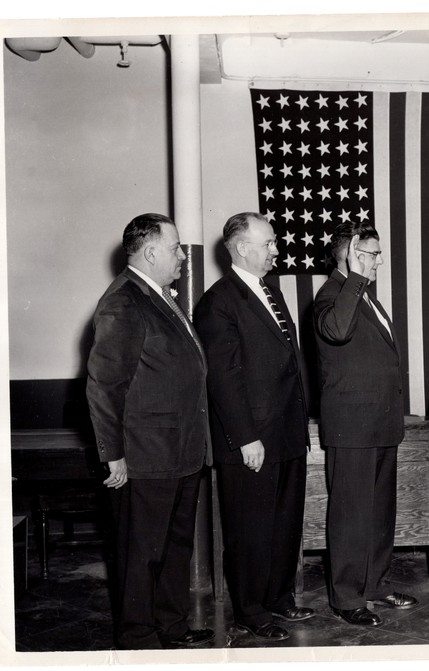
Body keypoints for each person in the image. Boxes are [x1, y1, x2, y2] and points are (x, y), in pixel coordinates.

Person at [86, 213, 214, 649]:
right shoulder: (125, 300)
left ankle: (171, 628)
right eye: (176, 248)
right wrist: (113, 454)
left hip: (179, 452)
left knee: (174, 548)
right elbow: (105, 385)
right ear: (152, 251)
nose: (183, 256)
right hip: (144, 456)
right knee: (141, 554)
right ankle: (139, 640)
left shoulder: (158, 297)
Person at [194, 212, 312, 643]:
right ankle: (250, 610)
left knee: (284, 521)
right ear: (242, 248)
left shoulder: (271, 293)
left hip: (286, 433)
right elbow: (223, 379)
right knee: (250, 527)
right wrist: (246, 437)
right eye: (269, 243)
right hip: (252, 440)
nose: (276, 250)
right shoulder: (218, 302)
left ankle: (279, 597)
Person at [313, 221, 418, 627]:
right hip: (351, 427)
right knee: (351, 515)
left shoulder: (365, 297)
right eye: (372, 253)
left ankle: (373, 584)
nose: (379, 261)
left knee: (378, 514)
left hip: (378, 424)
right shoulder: (330, 295)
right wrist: (356, 274)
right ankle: (346, 596)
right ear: (351, 255)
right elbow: (337, 331)